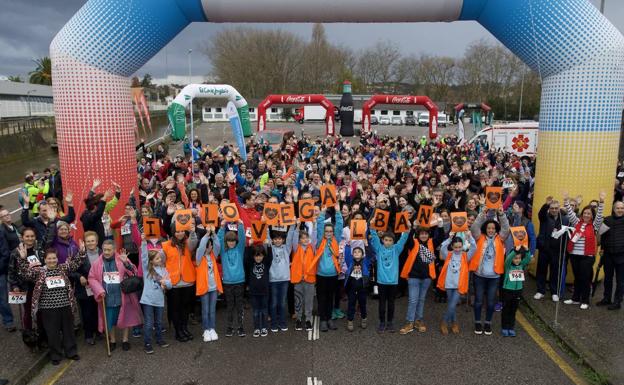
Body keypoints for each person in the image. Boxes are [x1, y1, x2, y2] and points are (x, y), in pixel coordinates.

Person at [17, 244, 84, 365]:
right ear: (45, 260)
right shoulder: (39, 272)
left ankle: (71, 352)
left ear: (57, 259)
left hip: (65, 306)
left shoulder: (63, 268)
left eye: (54, 258)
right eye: (49, 258)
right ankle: (56, 355)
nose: (52, 260)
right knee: (52, 333)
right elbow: (25, 273)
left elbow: (75, 264)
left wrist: (82, 252)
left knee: (68, 331)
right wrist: (22, 259)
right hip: (48, 309)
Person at [88, 240, 142, 352]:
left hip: (122, 295)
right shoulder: (97, 263)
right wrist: (99, 290)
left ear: (114, 249)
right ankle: (112, 340)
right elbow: (92, 278)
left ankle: (125, 340)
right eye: (104, 250)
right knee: (110, 320)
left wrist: (126, 263)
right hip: (107, 296)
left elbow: (134, 272)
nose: (106, 252)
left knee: (126, 317)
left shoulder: (121, 259)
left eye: (109, 250)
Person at [469, 208, 510, 335]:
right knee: (479, 300)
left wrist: (501, 214)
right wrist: (483, 213)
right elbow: (474, 226)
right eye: (489, 228)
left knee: (491, 302)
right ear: (485, 229)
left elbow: (506, 228)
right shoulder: (478, 237)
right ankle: (477, 322)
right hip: (479, 275)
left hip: (494, 276)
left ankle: (487, 323)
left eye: (493, 228)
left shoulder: (500, 238)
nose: (491, 230)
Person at [562, 191, 604, 309]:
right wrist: (566, 201)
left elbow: (600, 215)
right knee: (577, 277)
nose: (586, 215)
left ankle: (585, 300)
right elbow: (570, 213)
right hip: (575, 255)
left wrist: (601, 202)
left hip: (587, 256)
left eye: (589, 214)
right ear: (582, 214)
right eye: (585, 213)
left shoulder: (594, 225)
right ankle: (575, 299)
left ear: (592, 215)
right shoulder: (577, 223)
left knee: (585, 278)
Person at [160, 222, 198, 342]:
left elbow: (194, 242)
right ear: (173, 232)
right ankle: (178, 331)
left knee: (186, 307)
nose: (180, 233)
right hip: (174, 283)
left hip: (188, 281)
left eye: (182, 230)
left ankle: (184, 328)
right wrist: (165, 280)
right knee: (175, 308)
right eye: (177, 231)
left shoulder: (188, 243)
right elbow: (161, 265)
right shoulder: (165, 245)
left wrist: (192, 231)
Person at [308, 204, 343, 332]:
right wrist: (322, 213)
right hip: (321, 275)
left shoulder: (336, 240)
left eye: (330, 231)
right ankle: (323, 320)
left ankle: (329, 319)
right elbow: (319, 225)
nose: (328, 233)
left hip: (333, 275)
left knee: (330, 298)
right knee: (322, 298)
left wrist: (338, 212)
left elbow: (339, 225)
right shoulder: (319, 241)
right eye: (326, 231)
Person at [369, 227, 410, 334]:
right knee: (382, 303)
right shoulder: (379, 248)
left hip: (393, 282)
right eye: (386, 240)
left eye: (390, 240)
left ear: (393, 241)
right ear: (383, 240)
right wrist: (372, 228)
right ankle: (382, 322)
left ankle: (390, 322)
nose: (388, 242)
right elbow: (374, 236)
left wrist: (408, 228)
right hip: (382, 282)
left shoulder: (396, 249)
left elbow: (404, 238)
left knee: (391, 303)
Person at [399, 227, 437, 334]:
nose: (424, 235)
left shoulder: (431, 243)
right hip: (413, 277)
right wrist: (412, 228)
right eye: (421, 234)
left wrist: (440, 226)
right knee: (413, 300)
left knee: (421, 300)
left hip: (426, 278)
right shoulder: (413, 243)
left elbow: (440, 237)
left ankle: (418, 321)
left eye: (426, 233)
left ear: (429, 235)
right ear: (418, 235)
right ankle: (410, 322)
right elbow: (408, 240)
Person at [438, 234, 477, 335]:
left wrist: (470, 237)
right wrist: (449, 238)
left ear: (462, 246)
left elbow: (474, 247)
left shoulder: (465, 256)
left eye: (460, 247)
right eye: (455, 247)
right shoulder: (448, 254)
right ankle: (454, 323)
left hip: (459, 285)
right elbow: (442, 248)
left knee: (452, 305)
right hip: (448, 283)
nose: (458, 249)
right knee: (452, 305)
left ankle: (444, 322)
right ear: (452, 246)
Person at [140, 236, 171, 353]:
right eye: (157, 258)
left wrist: (165, 282)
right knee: (149, 323)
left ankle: (159, 339)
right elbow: (143, 257)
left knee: (159, 322)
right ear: (151, 260)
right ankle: (147, 343)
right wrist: (143, 243)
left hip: (159, 300)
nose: (160, 260)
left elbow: (170, 284)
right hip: (147, 300)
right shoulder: (147, 269)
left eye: (160, 258)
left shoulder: (164, 270)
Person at [535, 196, 570, 302]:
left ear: (559, 208)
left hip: (557, 250)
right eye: (552, 208)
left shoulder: (564, 219)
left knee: (555, 272)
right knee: (541, 270)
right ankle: (540, 291)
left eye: (556, 208)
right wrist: (546, 204)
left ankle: (554, 292)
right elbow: (540, 214)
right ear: (549, 209)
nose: (554, 210)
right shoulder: (545, 217)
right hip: (544, 249)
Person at [218, 220, 246, 337]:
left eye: (233, 241)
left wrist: (240, 225)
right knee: (229, 306)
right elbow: (219, 239)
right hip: (228, 282)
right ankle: (229, 327)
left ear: (236, 241)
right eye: (229, 241)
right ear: (226, 241)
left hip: (239, 281)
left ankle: (240, 327)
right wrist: (222, 227)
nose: (231, 243)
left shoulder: (240, 249)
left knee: (239, 306)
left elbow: (243, 238)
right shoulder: (223, 251)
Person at [70, 231, 99, 345]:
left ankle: (98, 330)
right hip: (85, 288)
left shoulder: (102, 252)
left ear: (97, 242)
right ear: (84, 243)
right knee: (87, 312)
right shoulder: (80, 254)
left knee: (97, 310)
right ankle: (88, 334)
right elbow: (71, 270)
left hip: (99, 288)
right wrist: (80, 276)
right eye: (88, 241)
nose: (91, 243)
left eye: (93, 241)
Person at [267, 226, 297, 332]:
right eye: (275, 239)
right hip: (273, 280)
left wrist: (293, 225)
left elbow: (290, 237)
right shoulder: (270, 248)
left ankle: (282, 322)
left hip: (284, 279)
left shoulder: (286, 248)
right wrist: (266, 226)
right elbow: (266, 237)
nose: (277, 240)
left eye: (279, 239)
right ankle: (274, 324)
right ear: (272, 240)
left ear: (282, 240)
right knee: (274, 302)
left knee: (282, 302)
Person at [195, 229, 222, 342]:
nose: (209, 248)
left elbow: (218, 246)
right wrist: (206, 235)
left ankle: (212, 329)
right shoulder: (199, 258)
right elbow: (201, 247)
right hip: (204, 288)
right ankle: (206, 330)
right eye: (207, 246)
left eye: (210, 246)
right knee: (205, 310)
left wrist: (213, 234)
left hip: (214, 288)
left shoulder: (213, 255)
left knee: (212, 310)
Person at [597, 200, 624, 310]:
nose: (620, 210)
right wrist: (602, 248)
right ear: (613, 209)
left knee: (620, 281)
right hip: (608, 255)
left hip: (622, 256)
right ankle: (606, 298)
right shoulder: (607, 220)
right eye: (618, 208)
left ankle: (617, 301)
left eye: (622, 208)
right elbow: (601, 235)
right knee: (607, 278)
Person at [501, 245, 532, 336]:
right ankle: (504, 327)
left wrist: (527, 251)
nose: (517, 260)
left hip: (518, 291)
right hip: (507, 290)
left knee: (513, 310)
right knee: (506, 309)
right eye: (515, 258)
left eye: (519, 258)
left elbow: (528, 259)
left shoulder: (521, 265)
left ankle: (511, 327)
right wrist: (514, 251)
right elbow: (508, 259)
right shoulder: (508, 266)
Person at [290, 231, 316, 332]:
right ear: (299, 240)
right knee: (298, 299)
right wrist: (296, 227)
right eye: (302, 238)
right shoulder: (296, 248)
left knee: (309, 300)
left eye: (306, 238)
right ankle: (299, 318)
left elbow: (314, 237)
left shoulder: (312, 247)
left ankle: (308, 319)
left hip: (309, 279)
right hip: (298, 279)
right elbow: (293, 238)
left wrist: (314, 225)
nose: (305, 240)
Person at [245, 245, 272, 338]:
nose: (258, 258)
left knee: (264, 310)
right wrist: (249, 246)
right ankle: (257, 328)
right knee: (256, 311)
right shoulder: (251, 264)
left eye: (260, 255)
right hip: (254, 293)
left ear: (263, 256)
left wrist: (268, 246)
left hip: (264, 292)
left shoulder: (266, 263)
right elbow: (247, 258)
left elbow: (270, 257)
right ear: (253, 256)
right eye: (256, 256)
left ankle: (264, 327)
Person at [344, 246, 369, 331]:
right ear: (352, 255)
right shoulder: (350, 262)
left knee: (362, 305)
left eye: (359, 252)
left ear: (362, 255)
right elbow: (346, 254)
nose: (357, 253)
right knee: (351, 305)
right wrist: (348, 245)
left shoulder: (365, 262)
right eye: (355, 252)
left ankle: (364, 318)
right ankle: (350, 320)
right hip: (352, 289)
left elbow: (371, 254)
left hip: (362, 289)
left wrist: (366, 244)